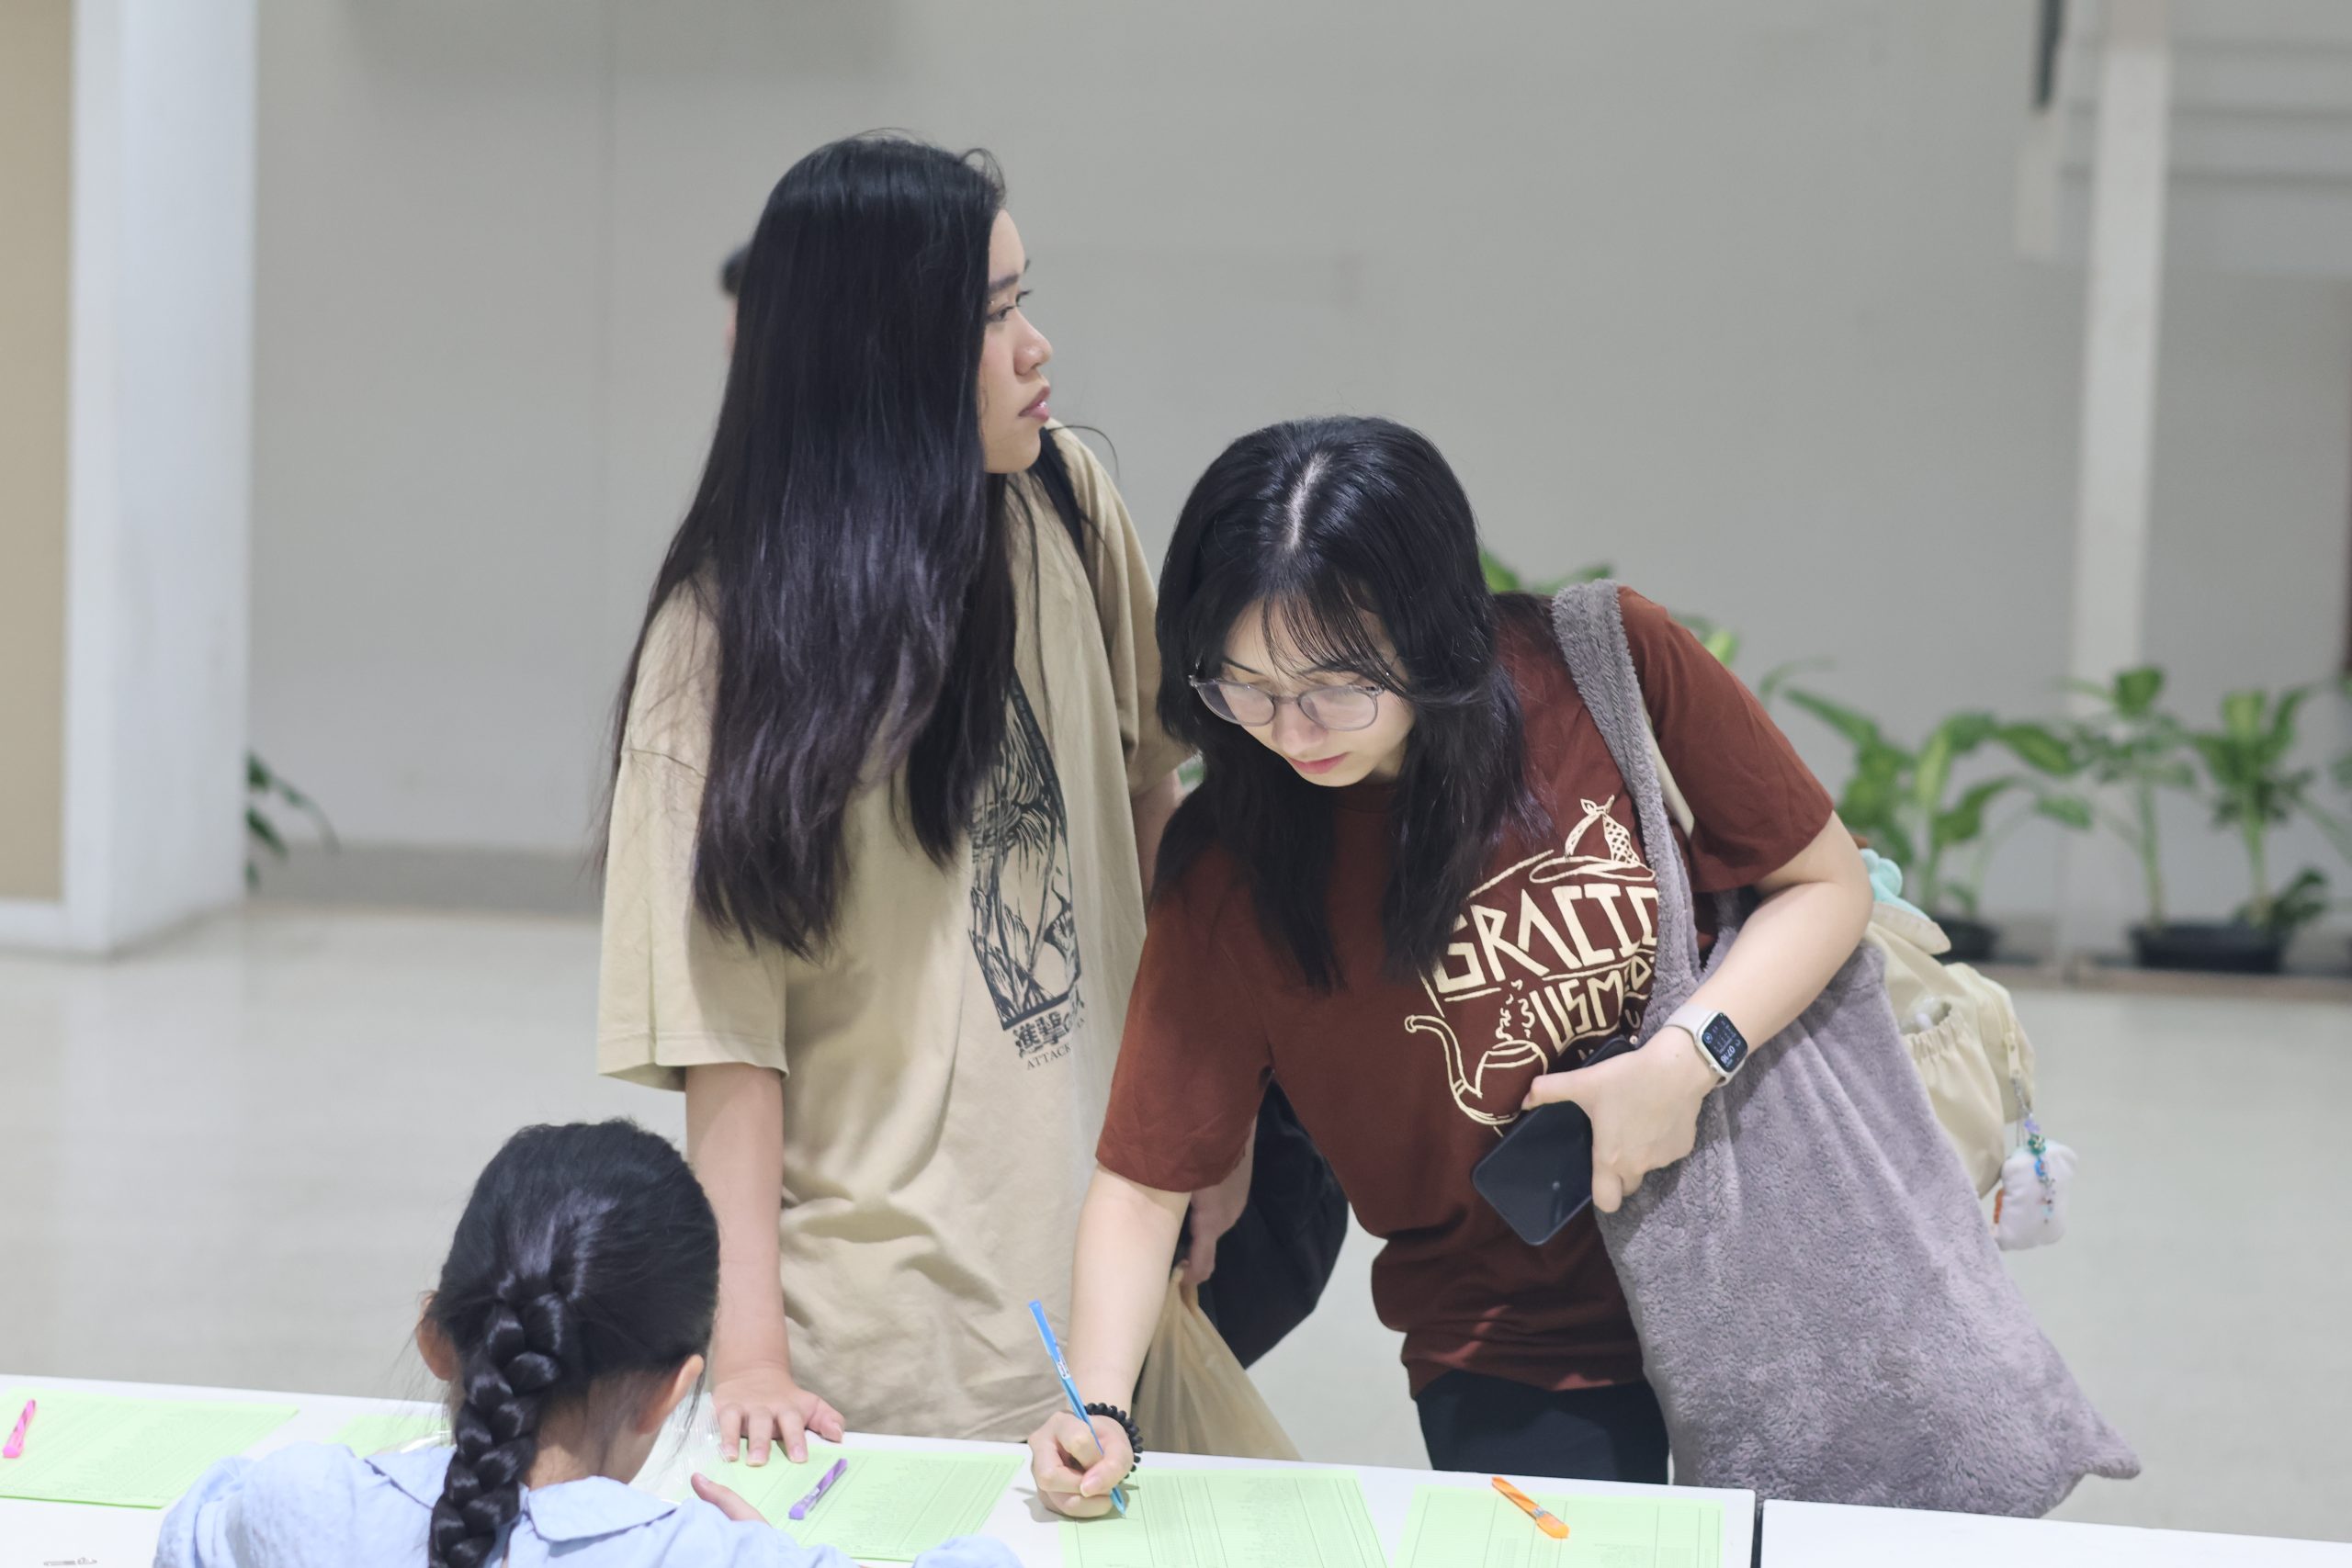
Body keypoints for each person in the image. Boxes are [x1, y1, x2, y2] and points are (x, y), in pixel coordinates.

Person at [1029, 416, 1873, 1508]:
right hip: (1512, 1335)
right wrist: (1099, 1405)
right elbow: (1145, 1181)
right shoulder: (1231, 869)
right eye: (1244, 687)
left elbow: (1822, 884)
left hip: (1759, 1253)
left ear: (1432, 632)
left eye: (1334, 686)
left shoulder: (1601, 666)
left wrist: (1684, 1059)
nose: (1292, 731)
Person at [597, 135, 1191, 1461]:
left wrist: (1197, 1133)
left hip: (1109, 1291)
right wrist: (752, 1353)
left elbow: (1154, 795)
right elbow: (726, 1039)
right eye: (991, 316)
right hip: (873, 1348)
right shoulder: (722, 642)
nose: (1035, 347)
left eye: (1025, 300)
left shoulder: (1065, 504)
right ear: (881, 351)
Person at [154, 1120, 1014, 1567]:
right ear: (673, 1389)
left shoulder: (306, 1501)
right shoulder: (702, 1553)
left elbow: (193, 1528)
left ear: (436, 1338)